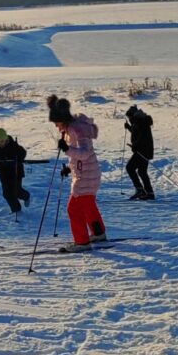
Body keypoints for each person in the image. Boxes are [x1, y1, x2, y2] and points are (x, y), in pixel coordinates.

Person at [47, 94, 106, 252]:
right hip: (88, 174)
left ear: (63, 119)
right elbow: (80, 157)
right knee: (88, 205)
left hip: (86, 177)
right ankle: (98, 233)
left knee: (73, 208)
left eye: (57, 123)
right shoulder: (71, 128)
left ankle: (82, 242)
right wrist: (69, 168)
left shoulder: (76, 129)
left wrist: (67, 149)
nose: (56, 126)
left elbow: (85, 152)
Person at [124, 105, 155, 200]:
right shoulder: (141, 121)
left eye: (129, 118)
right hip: (146, 151)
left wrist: (135, 147)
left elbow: (141, 138)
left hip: (142, 152)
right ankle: (149, 193)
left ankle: (139, 189)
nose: (129, 120)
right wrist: (129, 128)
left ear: (132, 116)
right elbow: (137, 133)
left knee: (129, 168)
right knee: (142, 172)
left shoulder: (139, 122)